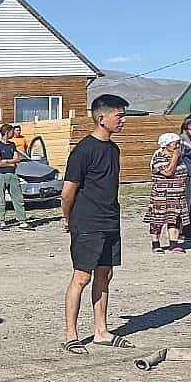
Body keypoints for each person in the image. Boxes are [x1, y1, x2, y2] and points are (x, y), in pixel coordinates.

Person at [61, 94, 134, 355]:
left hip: (110, 220)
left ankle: (101, 331)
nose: (123, 120)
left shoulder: (113, 149)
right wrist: (68, 218)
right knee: (82, 276)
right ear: (101, 118)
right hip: (87, 222)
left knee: (105, 275)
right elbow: (68, 192)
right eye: (119, 115)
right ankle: (71, 334)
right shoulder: (82, 151)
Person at [144, 132, 189, 254]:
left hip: (177, 195)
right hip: (162, 196)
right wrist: (175, 157)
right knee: (157, 220)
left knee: (174, 219)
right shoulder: (159, 158)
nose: (178, 146)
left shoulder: (179, 157)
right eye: (175, 143)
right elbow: (168, 172)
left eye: (179, 143)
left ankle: (173, 244)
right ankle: (156, 244)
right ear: (166, 145)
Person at [0, 124, 31, 230]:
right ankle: (2, 221)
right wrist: (8, 162)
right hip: (1, 175)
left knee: (17, 197)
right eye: (11, 132)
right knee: (1, 198)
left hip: (12, 174)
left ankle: (22, 220)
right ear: (6, 132)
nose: (13, 134)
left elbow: (17, 159)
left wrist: (7, 161)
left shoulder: (12, 145)